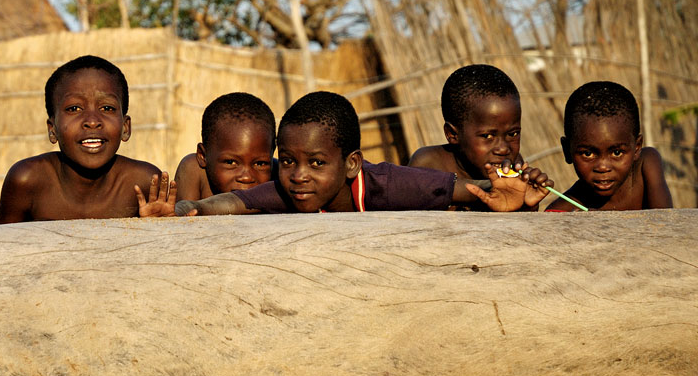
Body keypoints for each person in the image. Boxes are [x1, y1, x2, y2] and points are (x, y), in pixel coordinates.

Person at [176, 91, 544, 216]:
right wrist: (185, 209)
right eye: (287, 161)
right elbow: (234, 203)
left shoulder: (386, 184)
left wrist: (503, 191)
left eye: (317, 163)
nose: (299, 174)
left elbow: (454, 188)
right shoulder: (289, 190)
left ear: (352, 163)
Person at [0, 55, 174, 223]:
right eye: (74, 109)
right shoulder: (28, 180)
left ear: (125, 128)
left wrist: (159, 226)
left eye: (107, 108)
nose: (92, 121)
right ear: (52, 129)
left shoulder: (143, 183)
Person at [408, 63, 549, 210]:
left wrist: (527, 205)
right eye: (487, 136)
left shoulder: (513, 169)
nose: (503, 149)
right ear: (453, 134)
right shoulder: (429, 164)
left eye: (512, 134)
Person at [548, 80, 673, 211]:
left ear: (637, 148)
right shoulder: (563, 211)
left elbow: (665, 222)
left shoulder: (646, 164)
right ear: (567, 151)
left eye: (617, 153)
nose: (603, 167)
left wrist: (606, 226)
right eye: (588, 154)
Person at [174, 92, 276, 202]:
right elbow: (185, 215)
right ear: (203, 155)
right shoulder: (194, 170)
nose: (246, 178)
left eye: (260, 164)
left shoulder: (279, 177)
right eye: (230, 162)